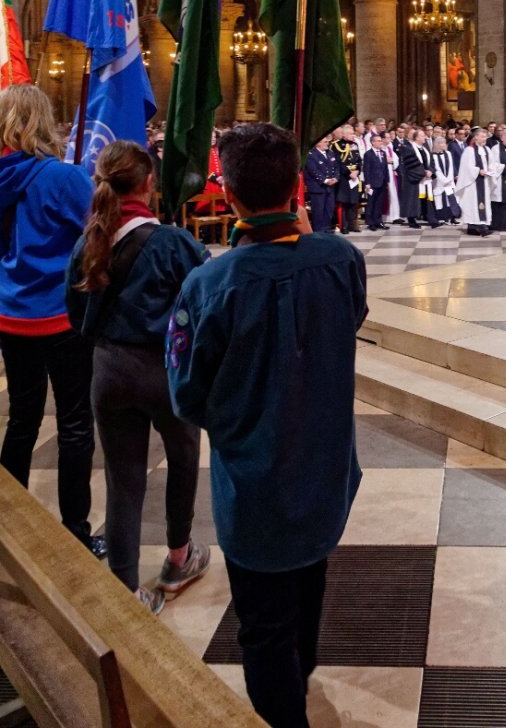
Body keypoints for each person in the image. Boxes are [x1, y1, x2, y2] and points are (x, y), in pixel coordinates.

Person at [167, 123, 365, 728]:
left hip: (255, 480)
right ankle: (295, 686)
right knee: (308, 589)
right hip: (325, 468)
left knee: (264, 624)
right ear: (297, 186)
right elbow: (349, 320)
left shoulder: (208, 284)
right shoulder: (342, 260)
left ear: (227, 195)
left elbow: (184, 394)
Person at [65, 141, 210, 614]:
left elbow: (73, 311)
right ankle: (178, 557)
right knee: (184, 457)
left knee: (122, 479)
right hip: (164, 371)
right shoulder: (171, 241)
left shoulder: (88, 241)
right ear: (149, 185)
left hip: (107, 371)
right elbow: (204, 304)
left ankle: (127, 591)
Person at [0, 86, 105, 557]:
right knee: (75, 423)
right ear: (44, 122)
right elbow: (100, 232)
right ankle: (75, 532)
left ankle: (11, 525)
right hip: (59, 317)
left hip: (9, 314)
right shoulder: (60, 177)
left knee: (21, 420)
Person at [456, 127, 497, 236]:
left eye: (485, 137)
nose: (485, 139)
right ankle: (478, 227)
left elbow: (492, 164)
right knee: (473, 204)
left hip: (484, 182)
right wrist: (478, 170)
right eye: (482, 137)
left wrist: (490, 171)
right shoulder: (469, 150)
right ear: (475, 137)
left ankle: (478, 226)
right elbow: (467, 167)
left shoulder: (487, 150)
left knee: (483, 204)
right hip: (473, 183)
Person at [399, 129, 438, 228]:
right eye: (422, 135)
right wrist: (423, 172)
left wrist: (430, 171)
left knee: (427, 199)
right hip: (413, 179)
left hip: (425, 178)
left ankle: (431, 219)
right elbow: (411, 164)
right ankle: (412, 219)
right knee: (413, 199)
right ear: (416, 138)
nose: (424, 137)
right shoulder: (408, 148)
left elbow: (431, 161)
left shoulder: (425, 148)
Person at [303, 137, 339, 233]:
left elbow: (336, 167)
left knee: (329, 210)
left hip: (330, 187)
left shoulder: (330, 153)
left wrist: (335, 178)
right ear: (318, 143)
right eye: (325, 142)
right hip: (318, 187)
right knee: (318, 212)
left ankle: (326, 230)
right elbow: (313, 170)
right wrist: (325, 180)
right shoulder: (311, 155)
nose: (328, 143)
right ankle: (318, 232)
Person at [331, 125, 362, 234]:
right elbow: (339, 163)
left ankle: (352, 225)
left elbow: (359, 160)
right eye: (350, 134)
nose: (353, 135)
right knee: (344, 202)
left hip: (354, 176)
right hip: (344, 177)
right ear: (344, 135)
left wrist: (357, 170)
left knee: (353, 202)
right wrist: (349, 173)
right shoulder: (337, 145)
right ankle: (344, 226)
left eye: (353, 133)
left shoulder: (355, 145)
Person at [362, 134, 391, 231]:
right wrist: (367, 183)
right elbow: (366, 169)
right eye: (378, 141)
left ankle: (378, 221)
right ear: (373, 142)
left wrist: (387, 180)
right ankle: (371, 223)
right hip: (372, 183)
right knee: (371, 203)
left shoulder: (383, 153)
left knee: (379, 203)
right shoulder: (368, 154)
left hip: (382, 182)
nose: (380, 142)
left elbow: (385, 168)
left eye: (380, 140)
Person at [431, 135, 461, 224]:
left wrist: (454, 175)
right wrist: (443, 179)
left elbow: (452, 166)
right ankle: (441, 218)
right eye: (442, 143)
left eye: (444, 143)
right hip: (439, 182)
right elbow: (435, 169)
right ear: (438, 144)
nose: (444, 145)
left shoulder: (448, 153)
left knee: (451, 199)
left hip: (449, 181)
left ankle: (452, 217)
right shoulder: (433, 155)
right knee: (439, 199)